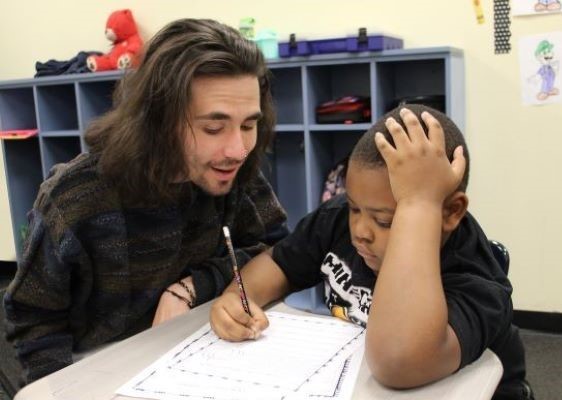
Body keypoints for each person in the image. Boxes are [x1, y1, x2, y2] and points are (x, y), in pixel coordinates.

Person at [3, 18, 288, 385]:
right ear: (159, 121)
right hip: (97, 365)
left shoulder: (231, 171)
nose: (237, 150)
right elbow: (32, 318)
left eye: (248, 125)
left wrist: (191, 287)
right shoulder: (75, 198)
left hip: (196, 348)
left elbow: (278, 251)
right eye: (213, 128)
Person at [210, 105, 534, 400]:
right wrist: (236, 299)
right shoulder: (337, 219)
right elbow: (277, 264)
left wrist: (418, 203)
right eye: (354, 208)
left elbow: (399, 362)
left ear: (449, 213)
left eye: (385, 220)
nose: (360, 231)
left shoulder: (476, 277)